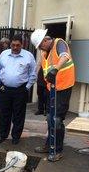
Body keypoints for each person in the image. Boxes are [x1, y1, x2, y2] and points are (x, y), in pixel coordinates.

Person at [31, 29, 75, 161]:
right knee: (50, 118)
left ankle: (57, 150)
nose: (40, 48)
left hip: (64, 87)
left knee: (57, 120)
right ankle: (49, 145)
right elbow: (40, 63)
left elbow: (64, 56)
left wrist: (56, 69)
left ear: (45, 40)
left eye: (40, 45)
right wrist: (33, 75)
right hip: (52, 88)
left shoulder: (59, 43)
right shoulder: (45, 51)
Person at [0, 34, 37, 145]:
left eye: (18, 45)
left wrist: (27, 88)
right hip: (4, 89)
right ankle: (2, 135)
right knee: (4, 114)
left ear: (22, 45)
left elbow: (33, 74)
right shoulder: (4, 54)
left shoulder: (28, 56)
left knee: (19, 115)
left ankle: (16, 136)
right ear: (10, 44)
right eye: (13, 45)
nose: (15, 48)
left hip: (20, 91)